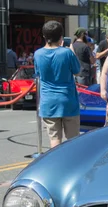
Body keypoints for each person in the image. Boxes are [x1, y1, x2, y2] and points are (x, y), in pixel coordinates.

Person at [34, 20, 81, 148]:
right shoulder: (66, 53)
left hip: (48, 101)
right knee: (73, 140)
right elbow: (77, 72)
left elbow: (38, 73)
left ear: (44, 36)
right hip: (67, 100)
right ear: (61, 37)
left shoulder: (37, 54)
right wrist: (72, 51)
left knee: (54, 138)